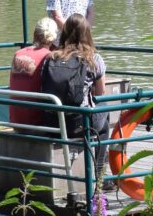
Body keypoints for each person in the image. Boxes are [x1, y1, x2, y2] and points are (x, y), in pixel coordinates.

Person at [39, 13, 108, 173]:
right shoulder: (94, 59)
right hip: (80, 125)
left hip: (52, 123)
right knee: (104, 112)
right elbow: (101, 92)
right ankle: (99, 174)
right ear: (87, 33)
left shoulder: (50, 58)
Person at [8, 18, 58, 126]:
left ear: (35, 34)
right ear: (53, 38)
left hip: (15, 122)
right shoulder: (50, 57)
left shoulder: (18, 54)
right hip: (39, 125)